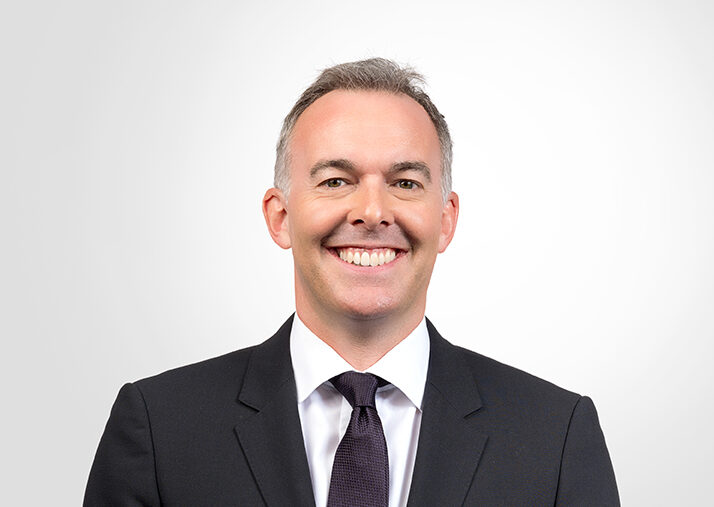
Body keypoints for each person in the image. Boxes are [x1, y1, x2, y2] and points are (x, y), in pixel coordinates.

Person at [84, 58, 619, 506]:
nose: (372, 210)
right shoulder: (159, 429)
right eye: (336, 180)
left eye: (405, 183)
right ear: (280, 217)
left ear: (446, 220)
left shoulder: (556, 437)